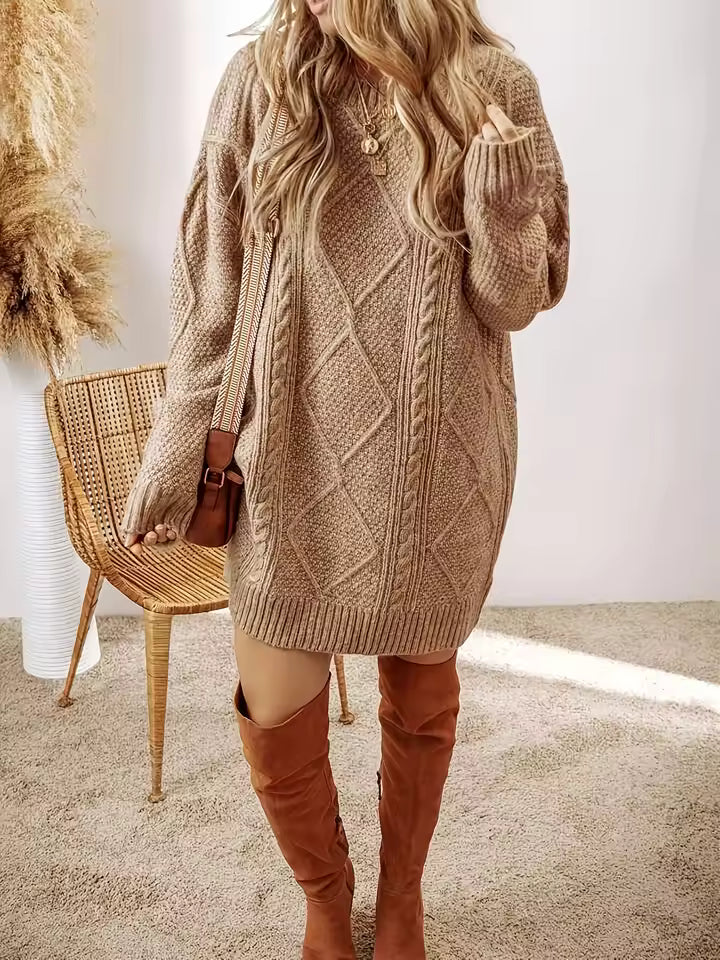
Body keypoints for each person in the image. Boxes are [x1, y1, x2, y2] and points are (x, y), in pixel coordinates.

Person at [121, 0, 570, 956]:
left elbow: (514, 302)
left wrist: (499, 196)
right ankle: (326, 896)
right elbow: (213, 290)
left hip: (434, 459)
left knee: (420, 693)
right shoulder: (261, 83)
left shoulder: (494, 85)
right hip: (286, 453)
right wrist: (176, 439)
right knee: (275, 704)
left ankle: (401, 894)